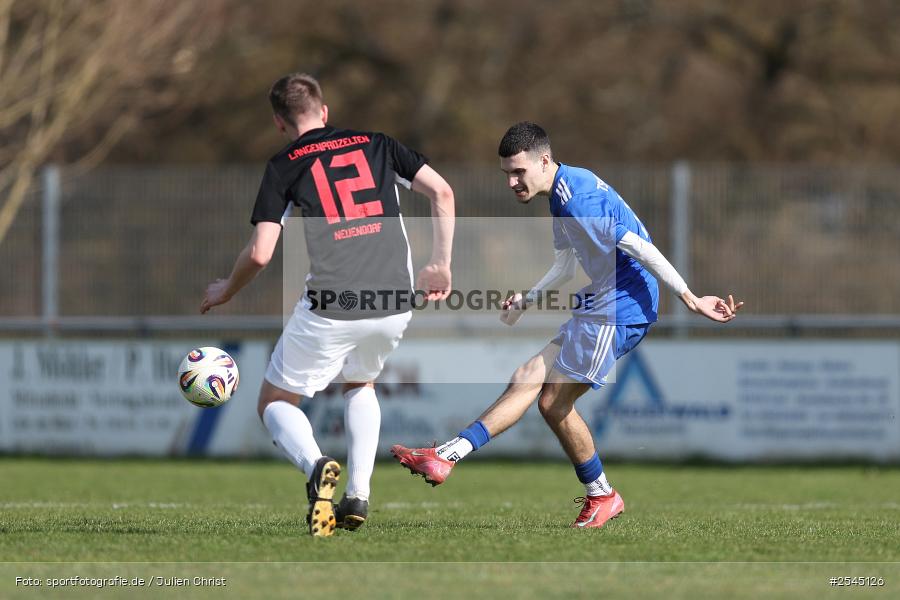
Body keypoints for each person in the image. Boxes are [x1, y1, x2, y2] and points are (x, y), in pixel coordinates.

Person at [392, 122, 741, 529]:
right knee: (527, 376)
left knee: (553, 403)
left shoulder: (578, 202)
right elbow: (564, 265)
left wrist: (690, 297)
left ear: (544, 161)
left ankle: (602, 495)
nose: (511, 182)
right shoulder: (561, 194)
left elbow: (639, 247)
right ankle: (446, 456)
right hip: (604, 298)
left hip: (622, 305)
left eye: (518, 172)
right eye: (506, 173)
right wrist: (526, 299)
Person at [201, 73, 454, 537]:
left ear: (279, 123)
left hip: (332, 306)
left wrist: (227, 290)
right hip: (395, 300)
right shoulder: (378, 144)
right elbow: (442, 192)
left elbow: (260, 253)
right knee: (361, 383)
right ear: (324, 110)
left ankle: (316, 465)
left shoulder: (284, 165)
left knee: (275, 400)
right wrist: (440, 263)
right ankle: (358, 495)